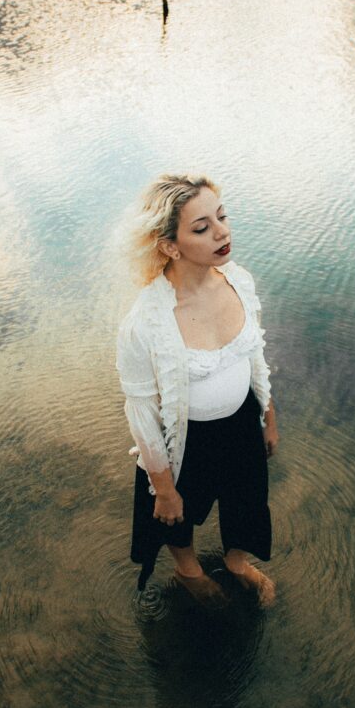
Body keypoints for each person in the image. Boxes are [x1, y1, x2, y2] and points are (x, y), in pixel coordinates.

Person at [116, 173, 278, 606]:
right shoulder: (146, 321)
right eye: (202, 228)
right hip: (186, 439)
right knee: (177, 516)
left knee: (247, 499)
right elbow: (142, 413)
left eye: (221, 217)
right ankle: (189, 572)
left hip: (243, 420)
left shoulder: (237, 280)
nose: (222, 232)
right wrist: (164, 487)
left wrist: (268, 416)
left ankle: (239, 563)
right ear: (170, 245)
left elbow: (255, 353)